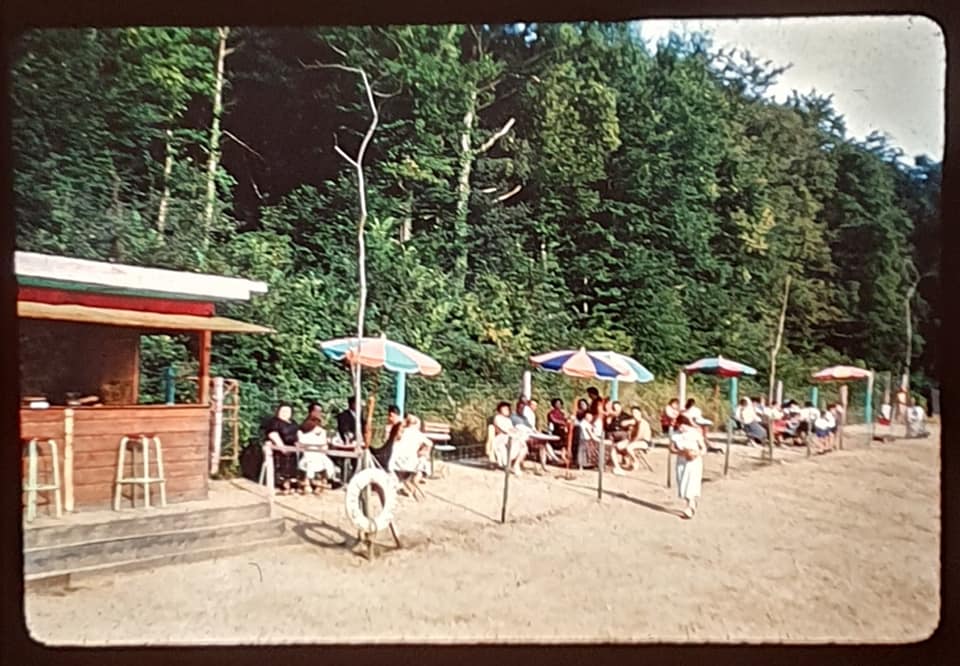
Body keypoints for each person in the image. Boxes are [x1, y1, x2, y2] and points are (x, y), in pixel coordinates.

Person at [669, 415, 707, 519]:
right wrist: (680, 452)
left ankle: (689, 507)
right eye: (679, 426)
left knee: (691, 483)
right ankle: (691, 502)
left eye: (683, 425)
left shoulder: (695, 434)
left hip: (694, 462)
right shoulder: (676, 435)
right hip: (681, 461)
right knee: (682, 482)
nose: (681, 428)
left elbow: (703, 448)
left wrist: (696, 453)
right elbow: (671, 448)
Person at [297, 402, 338, 493]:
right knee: (312, 462)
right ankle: (308, 482)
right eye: (316, 411)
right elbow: (306, 438)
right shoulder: (307, 424)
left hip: (319, 452)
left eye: (320, 411)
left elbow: (324, 439)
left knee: (327, 462)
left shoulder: (319, 423)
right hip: (309, 452)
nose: (318, 413)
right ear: (311, 411)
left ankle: (323, 481)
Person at [263, 404, 301, 495]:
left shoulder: (293, 423)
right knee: (282, 460)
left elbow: (297, 435)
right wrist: (282, 447)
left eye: (287, 411)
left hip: (292, 447)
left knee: (294, 461)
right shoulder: (275, 422)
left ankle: (292, 483)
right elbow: (273, 434)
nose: (285, 413)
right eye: (283, 411)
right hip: (278, 447)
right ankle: (283, 484)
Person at [389, 414, 433, 486]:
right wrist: (425, 451)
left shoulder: (401, 432)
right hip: (409, 462)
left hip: (395, 462)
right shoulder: (418, 434)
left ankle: (402, 483)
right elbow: (430, 443)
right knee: (424, 461)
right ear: (416, 424)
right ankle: (415, 481)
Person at [492, 401, 528, 476]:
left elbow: (512, 429)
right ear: (500, 410)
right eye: (504, 409)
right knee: (519, 441)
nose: (507, 410)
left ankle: (516, 464)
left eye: (507, 409)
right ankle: (507, 462)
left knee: (523, 446)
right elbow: (505, 430)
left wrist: (517, 431)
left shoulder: (508, 420)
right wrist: (514, 431)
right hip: (501, 438)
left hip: (510, 437)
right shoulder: (498, 418)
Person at [373, 405, 404, 470]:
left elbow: (398, 438)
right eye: (389, 416)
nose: (390, 418)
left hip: (397, 448)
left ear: (397, 416)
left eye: (391, 416)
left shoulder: (400, 426)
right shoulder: (387, 426)